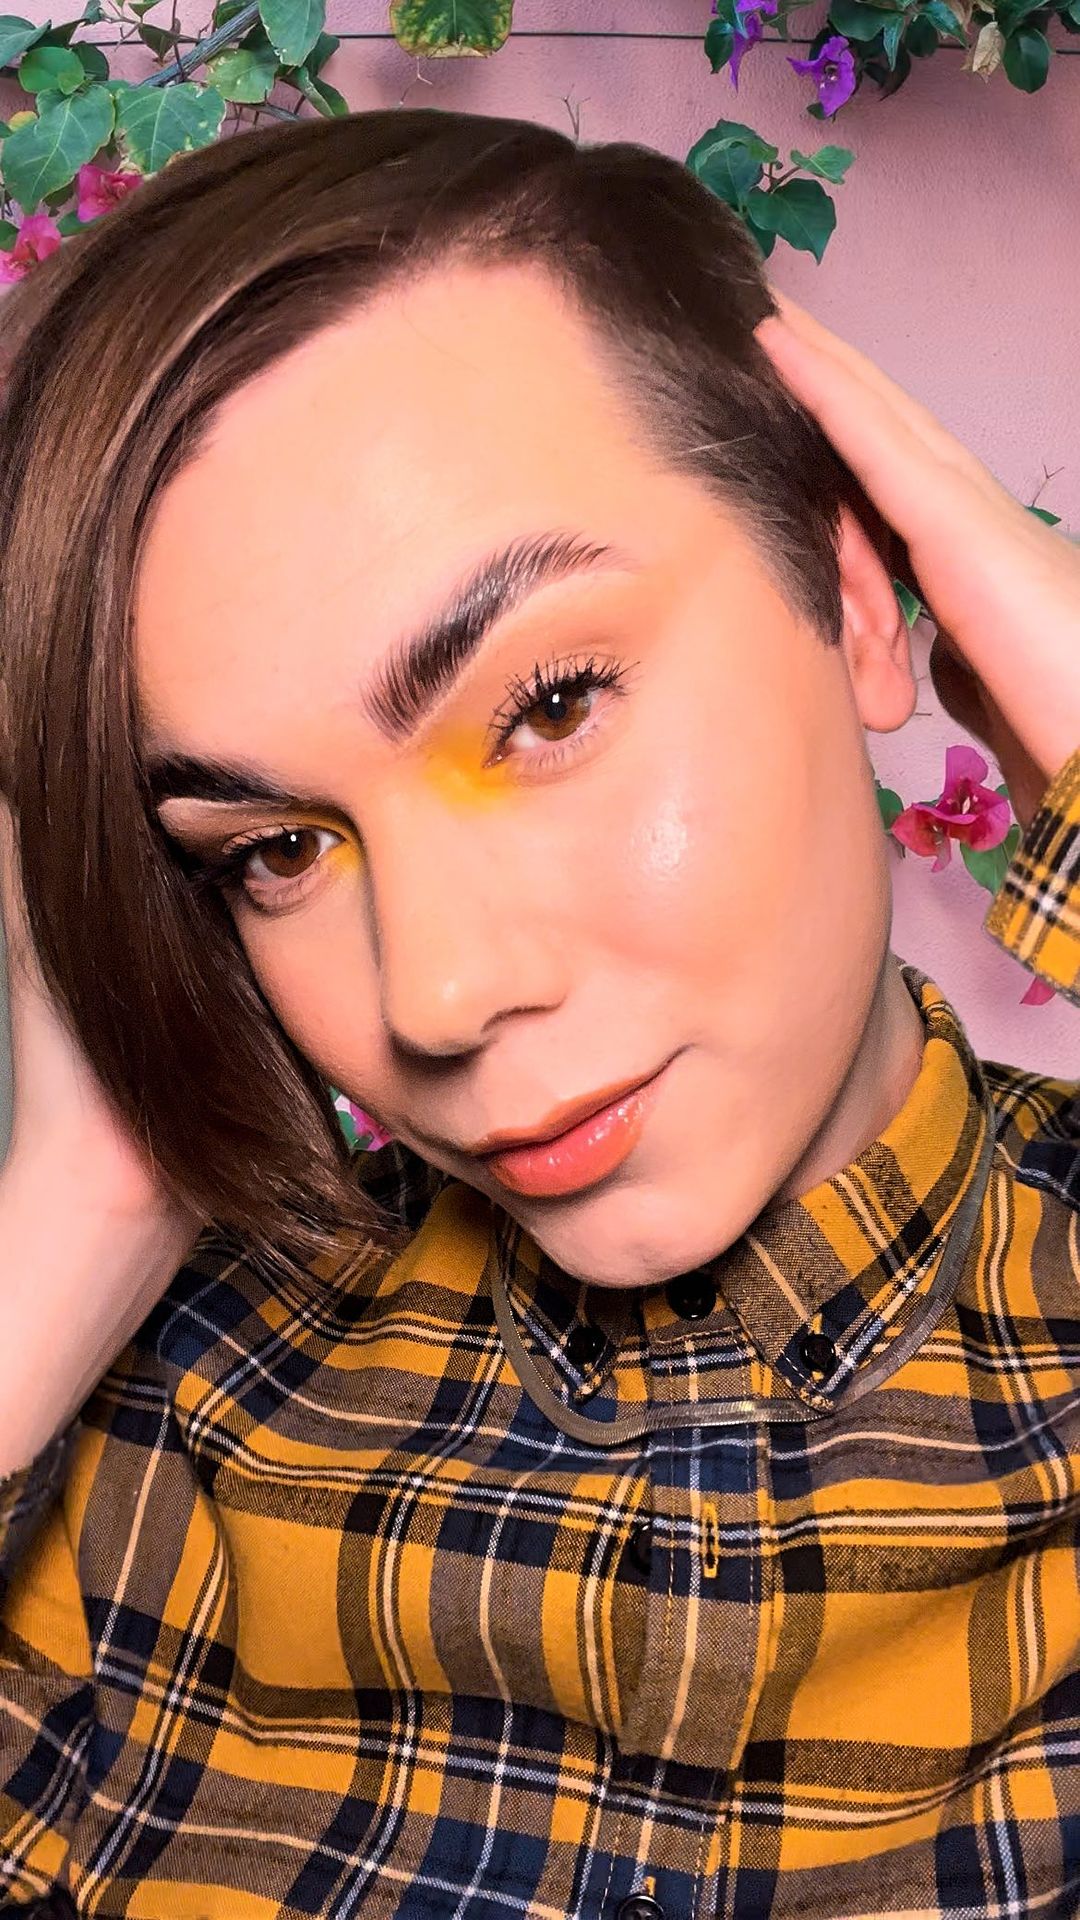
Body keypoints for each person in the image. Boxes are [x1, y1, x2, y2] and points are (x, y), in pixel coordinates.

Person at [0, 105, 1076, 1920]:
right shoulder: (177, 1405)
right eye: (277, 849)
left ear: (856, 594)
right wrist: (73, 1215)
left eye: (551, 705)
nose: (435, 993)